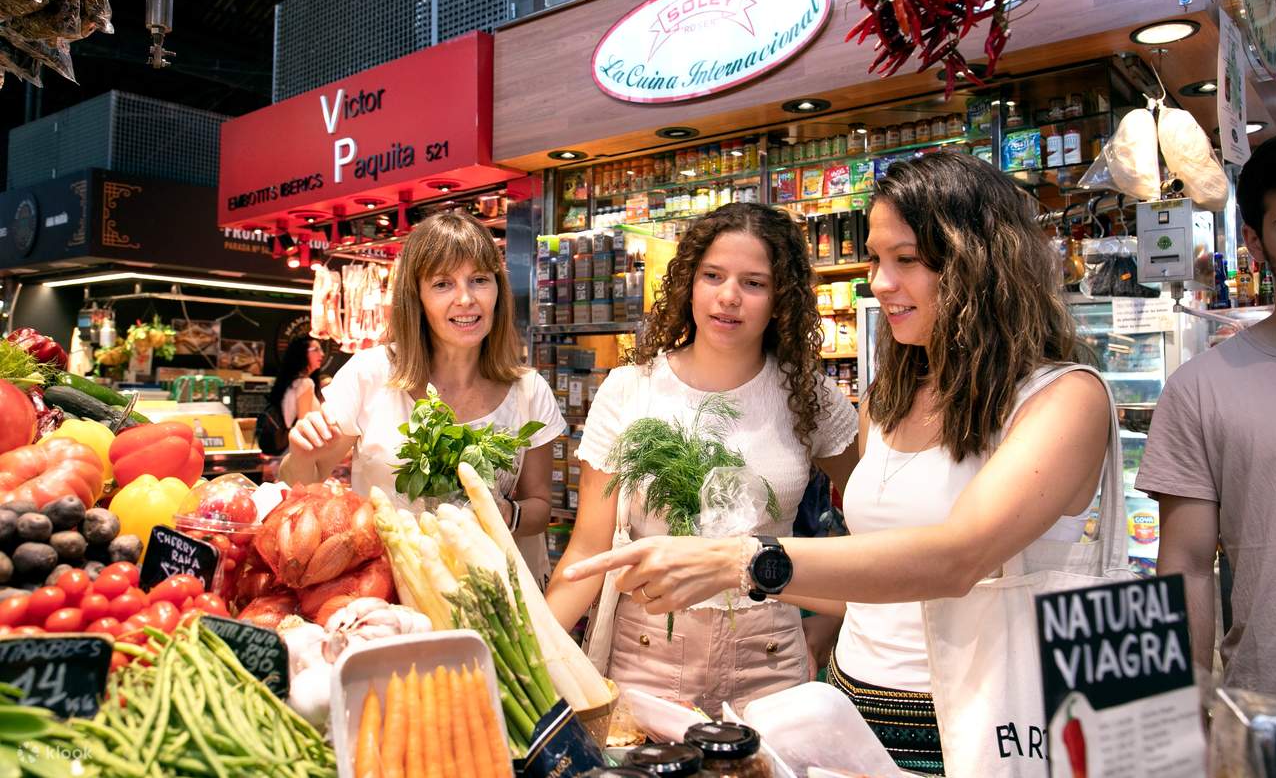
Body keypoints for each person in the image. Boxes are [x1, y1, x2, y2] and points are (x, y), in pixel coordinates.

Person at [564, 153, 1112, 774]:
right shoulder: (889, 400)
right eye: (877, 259)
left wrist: (740, 562)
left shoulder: (1065, 400)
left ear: (980, 264)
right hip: (847, 707)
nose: (878, 282)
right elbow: (869, 555)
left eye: (905, 260)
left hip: (983, 712)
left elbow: (958, 557)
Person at [545, 202, 860, 718]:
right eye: (713, 275)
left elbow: (875, 518)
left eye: (754, 283)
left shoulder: (811, 398)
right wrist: (530, 655)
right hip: (647, 653)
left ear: (781, 297)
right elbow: (586, 547)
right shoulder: (631, 389)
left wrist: (827, 622)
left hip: (771, 658)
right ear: (689, 282)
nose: (729, 296)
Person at [280, 211, 566, 585]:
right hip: (388, 588)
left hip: (495, 594)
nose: (465, 299)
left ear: (498, 290)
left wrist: (502, 512)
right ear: (417, 296)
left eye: (479, 280)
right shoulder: (371, 374)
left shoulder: (529, 391)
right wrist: (302, 451)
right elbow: (303, 483)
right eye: (443, 284)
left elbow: (541, 508)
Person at [1136, 133, 1276, 703]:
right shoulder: (1201, 389)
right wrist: (1188, 715)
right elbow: (1187, 566)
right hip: (1270, 715)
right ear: (1254, 241)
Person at [272, 335, 324, 436]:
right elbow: (304, 426)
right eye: (316, 350)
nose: (322, 354)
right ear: (302, 353)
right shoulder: (305, 383)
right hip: (300, 446)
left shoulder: (291, 382)